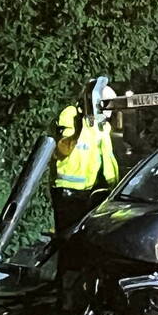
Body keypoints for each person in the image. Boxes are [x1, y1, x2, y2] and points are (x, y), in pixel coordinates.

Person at [50, 86, 120, 233]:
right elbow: (63, 149)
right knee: (67, 238)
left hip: (92, 192)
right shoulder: (71, 114)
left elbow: (107, 157)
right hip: (68, 191)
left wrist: (115, 187)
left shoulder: (102, 126)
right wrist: (79, 128)